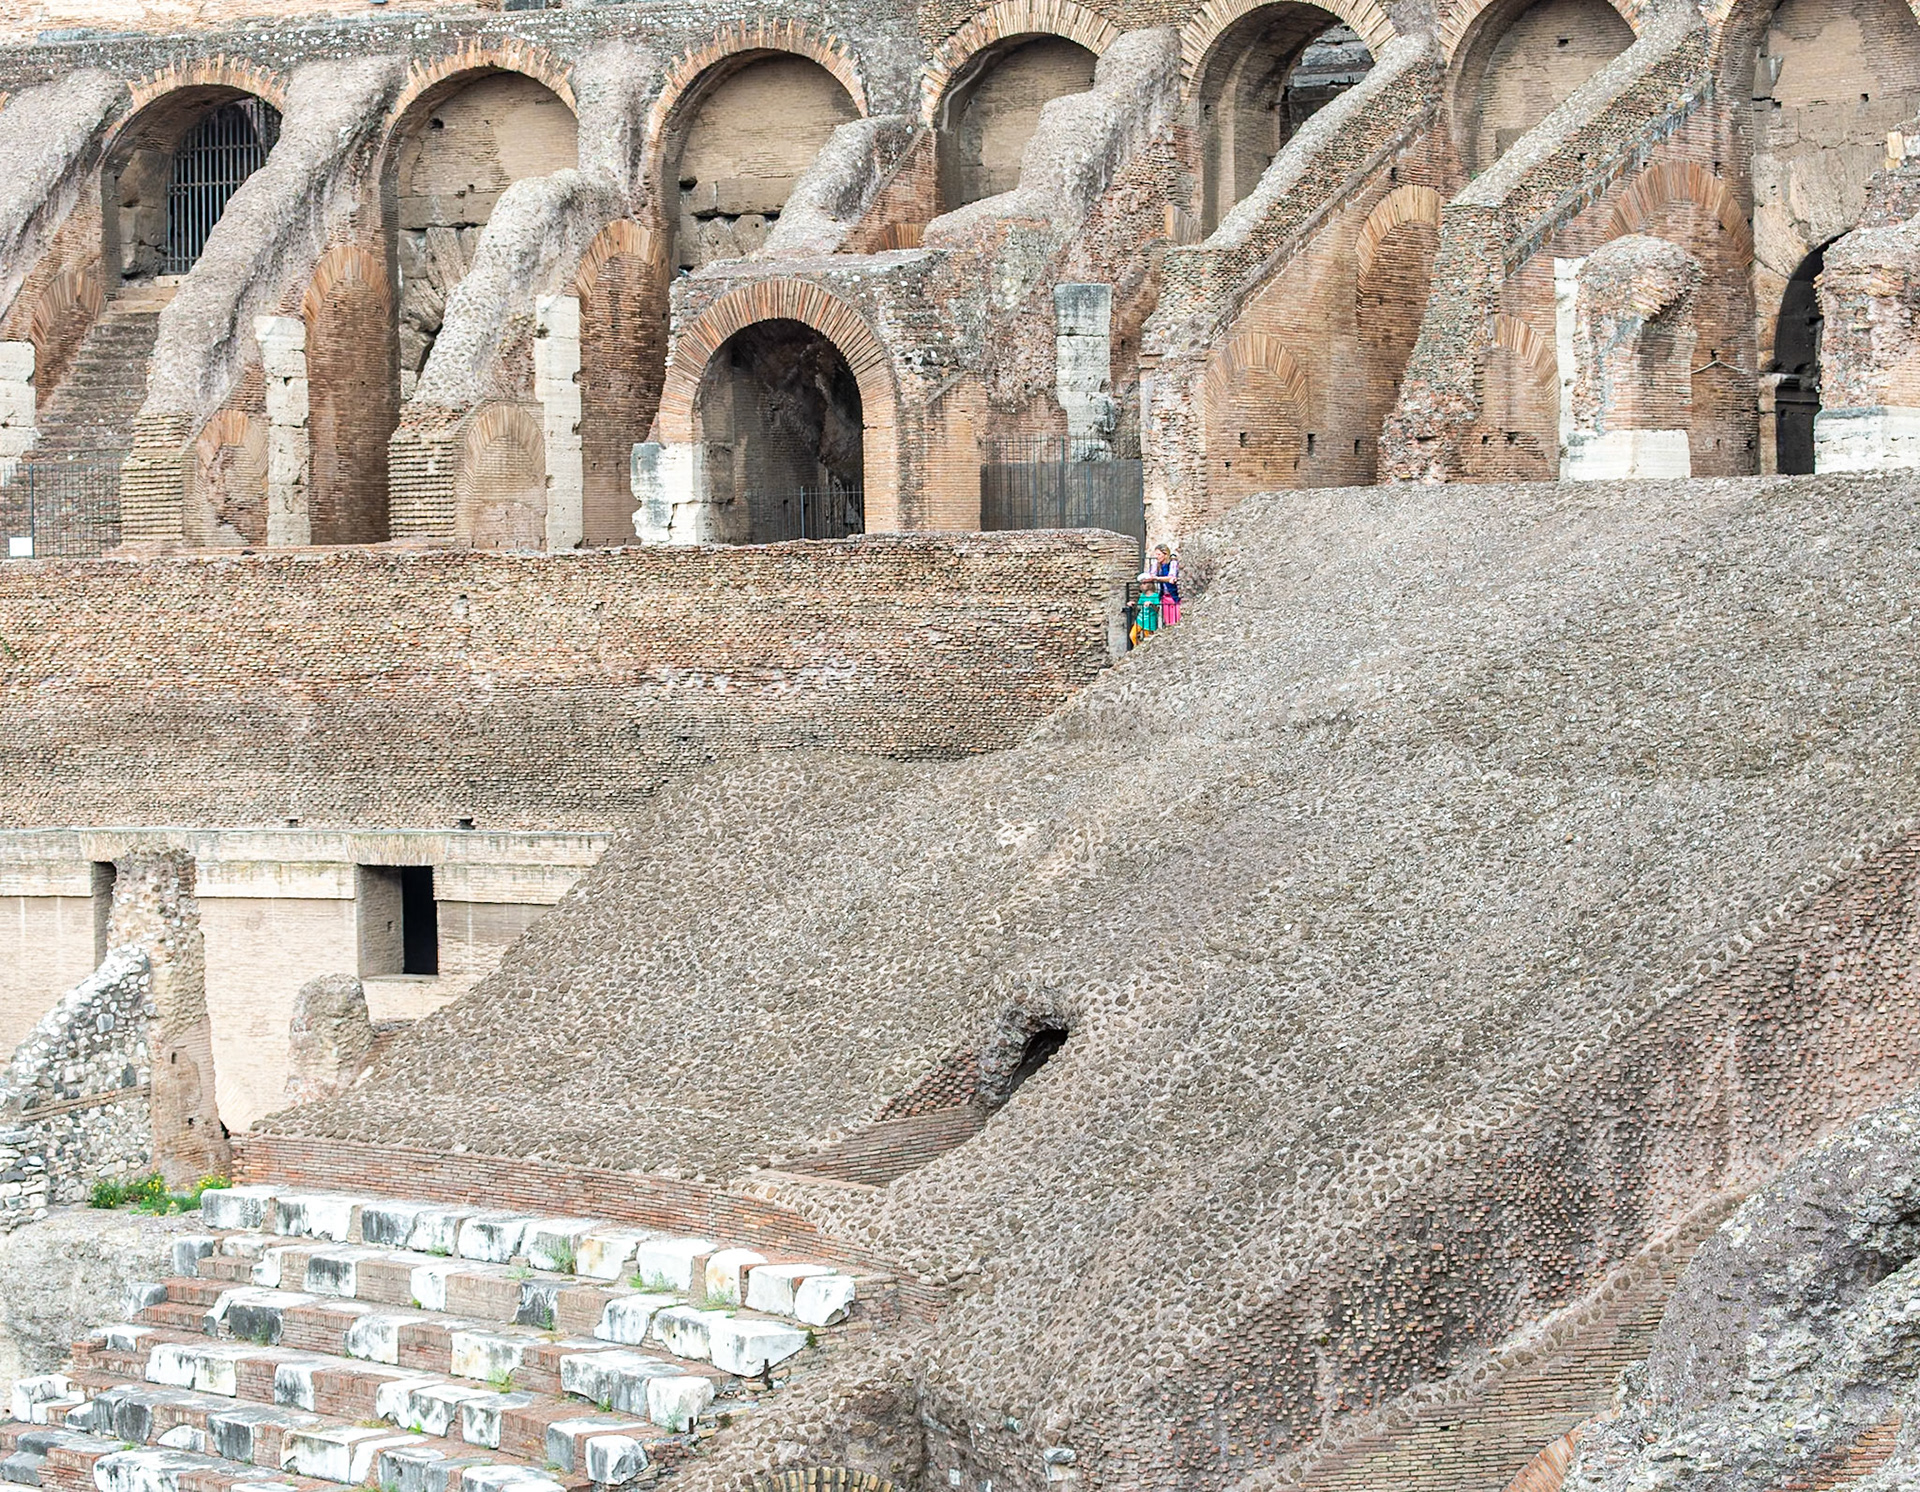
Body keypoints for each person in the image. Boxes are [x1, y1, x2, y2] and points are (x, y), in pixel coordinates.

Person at [1151, 545, 1181, 626]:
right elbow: (1151, 575)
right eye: (1156, 554)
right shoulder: (1158, 565)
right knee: (1168, 622)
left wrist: (1157, 578)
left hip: (1174, 596)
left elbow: (1171, 577)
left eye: (1158, 554)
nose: (1156, 557)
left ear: (1165, 554)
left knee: (1177, 620)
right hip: (1165, 597)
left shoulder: (1172, 563)